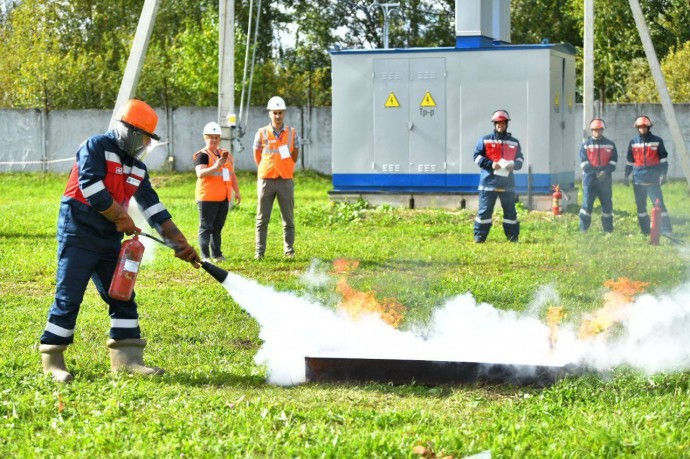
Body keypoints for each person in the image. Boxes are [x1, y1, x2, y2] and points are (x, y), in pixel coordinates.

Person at [39, 99, 200, 383]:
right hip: (78, 232)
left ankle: (127, 359)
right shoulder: (96, 146)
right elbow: (91, 187)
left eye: (147, 139)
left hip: (109, 240)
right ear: (127, 131)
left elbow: (153, 209)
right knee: (69, 297)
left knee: (122, 294)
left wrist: (179, 242)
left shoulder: (138, 167)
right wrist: (120, 218)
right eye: (141, 137)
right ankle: (53, 361)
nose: (144, 144)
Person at [253, 96, 300, 259]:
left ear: (284, 113)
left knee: (288, 219)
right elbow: (257, 155)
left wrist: (285, 167)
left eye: (280, 113)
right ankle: (259, 252)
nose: (278, 116)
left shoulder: (292, 133)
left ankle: (289, 250)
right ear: (270, 114)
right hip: (266, 179)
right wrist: (267, 168)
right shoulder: (261, 133)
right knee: (262, 219)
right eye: (275, 113)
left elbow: (295, 155)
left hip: (285, 180)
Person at [473, 109, 524, 243]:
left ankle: (512, 237)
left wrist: (513, 164)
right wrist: (491, 164)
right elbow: (476, 157)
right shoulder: (484, 140)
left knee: (510, 213)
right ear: (494, 124)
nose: (500, 125)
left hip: (507, 184)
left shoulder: (514, 142)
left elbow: (520, 160)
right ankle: (480, 237)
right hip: (488, 183)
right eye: (498, 123)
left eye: (503, 123)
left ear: (506, 124)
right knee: (484, 212)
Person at [193, 121, 241, 262]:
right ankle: (205, 256)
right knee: (206, 227)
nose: (213, 140)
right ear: (205, 138)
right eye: (210, 137)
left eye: (216, 137)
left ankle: (217, 254)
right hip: (207, 197)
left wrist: (236, 192)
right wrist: (215, 166)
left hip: (223, 198)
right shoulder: (202, 155)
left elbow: (231, 175)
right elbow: (200, 174)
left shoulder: (226, 155)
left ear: (219, 138)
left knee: (217, 227)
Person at [624, 115, 672, 235]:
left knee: (658, 204)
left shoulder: (657, 140)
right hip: (638, 179)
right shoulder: (633, 142)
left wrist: (663, 174)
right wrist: (626, 175)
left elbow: (663, 160)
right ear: (637, 128)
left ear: (649, 127)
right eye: (640, 127)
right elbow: (630, 161)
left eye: (645, 126)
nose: (642, 129)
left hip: (653, 178)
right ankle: (645, 231)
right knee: (641, 207)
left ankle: (666, 229)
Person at [578, 118, 618, 232]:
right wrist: (596, 173)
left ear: (603, 130)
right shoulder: (585, 145)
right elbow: (584, 163)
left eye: (600, 129)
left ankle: (608, 231)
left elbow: (613, 162)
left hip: (605, 181)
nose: (598, 132)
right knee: (586, 206)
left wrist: (605, 172)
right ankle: (583, 230)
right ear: (592, 130)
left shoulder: (610, 145)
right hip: (590, 180)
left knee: (607, 207)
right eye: (595, 130)